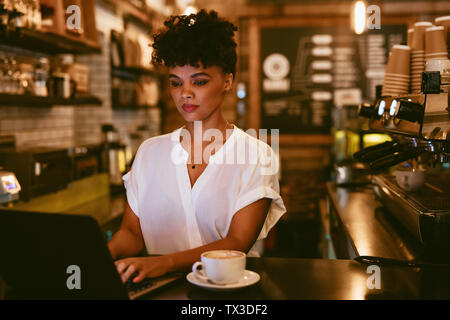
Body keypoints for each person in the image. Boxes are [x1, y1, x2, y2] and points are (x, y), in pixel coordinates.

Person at [107, 9, 286, 284]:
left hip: (226, 293)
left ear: (227, 81)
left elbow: (237, 242)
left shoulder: (256, 155)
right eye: (176, 83)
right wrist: (101, 256)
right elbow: (131, 233)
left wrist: (163, 263)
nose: (185, 93)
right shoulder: (149, 152)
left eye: (199, 81)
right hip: (155, 290)